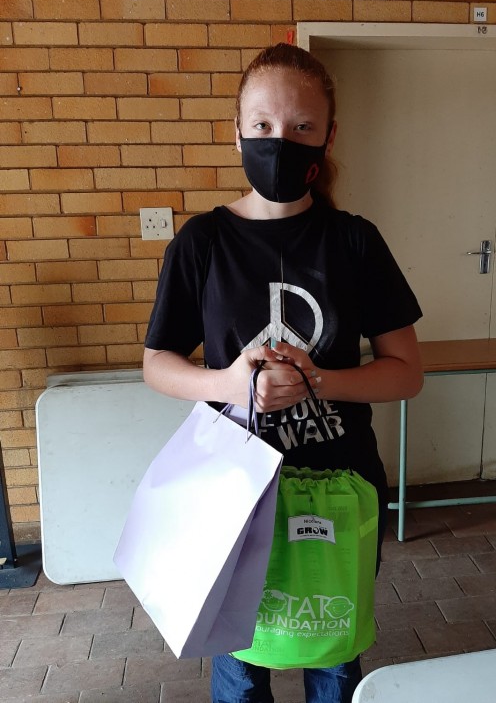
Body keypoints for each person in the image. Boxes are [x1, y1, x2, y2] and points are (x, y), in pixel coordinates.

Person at [143, 43, 423, 703]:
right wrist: (232, 383)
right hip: (232, 494)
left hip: (340, 488)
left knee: (333, 660)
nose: (280, 141)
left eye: (301, 127)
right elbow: (157, 365)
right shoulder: (201, 243)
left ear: (329, 136)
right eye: (263, 124)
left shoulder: (355, 241)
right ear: (236, 130)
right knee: (240, 667)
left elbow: (406, 372)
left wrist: (320, 379)